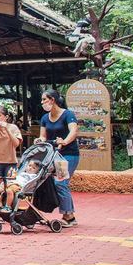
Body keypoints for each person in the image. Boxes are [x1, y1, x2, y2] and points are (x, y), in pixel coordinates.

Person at [36, 89, 79, 228]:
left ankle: (69, 216)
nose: (42, 102)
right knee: (57, 183)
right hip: (52, 155)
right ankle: (69, 214)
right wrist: (39, 140)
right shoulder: (44, 118)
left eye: (44, 99)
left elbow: (74, 131)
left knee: (60, 183)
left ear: (52, 100)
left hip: (67, 154)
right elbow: (43, 136)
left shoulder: (68, 114)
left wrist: (65, 141)